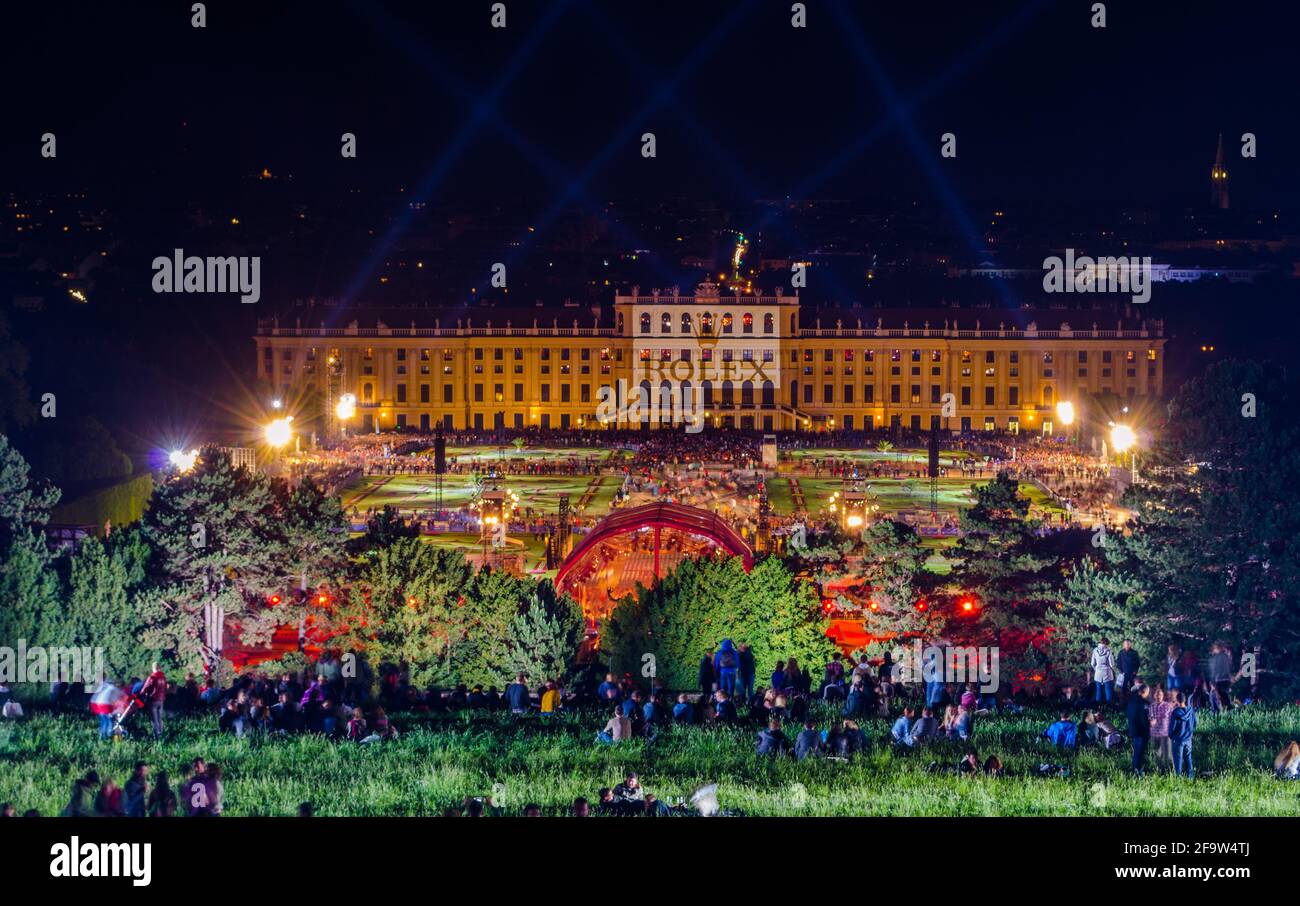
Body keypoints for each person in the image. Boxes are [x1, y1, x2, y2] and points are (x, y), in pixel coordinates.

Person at [1168, 690, 1197, 778]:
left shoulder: (1175, 712)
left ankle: (1178, 779)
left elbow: (1172, 727)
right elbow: (1195, 723)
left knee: (1178, 761)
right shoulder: (1191, 711)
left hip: (1178, 740)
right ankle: (1190, 778)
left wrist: (1171, 735)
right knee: (1188, 759)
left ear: (1177, 700)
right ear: (1185, 700)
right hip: (1188, 739)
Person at [1126, 684, 1151, 775]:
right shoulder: (1144, 703)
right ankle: (1138, 772)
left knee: (1136, 752)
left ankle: (1134, 769)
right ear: (1146, 692)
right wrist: (1150, 724)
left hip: (1133, 731)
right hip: (1142, 732)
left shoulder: (1131, 701)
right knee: (1140, 753)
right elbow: (1144, 719)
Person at [138, 663, 168, 739]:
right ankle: (161, 734)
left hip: (153, 700)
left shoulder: (152, 677)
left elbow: (145, 688)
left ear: (153, 668)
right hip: (161, 700)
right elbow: (165, 688)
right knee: (160, 718)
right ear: (160, 668)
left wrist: (141, 694)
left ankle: (157, 736)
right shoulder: (163, 678)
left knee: (154, 719)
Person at [1148, 685, 1173, 771]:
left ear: (1163, 696)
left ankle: (1170, 771)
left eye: (1160, 695)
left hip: (1165, 734)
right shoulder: (1151, 706)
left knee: (1167, 755)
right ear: (1154, 696)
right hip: (1154, 734)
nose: (1158, 696)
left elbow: (1171, 719)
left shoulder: (1168, 706)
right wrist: (1151, 721)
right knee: (1156, 754)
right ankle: (1159, 771)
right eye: (1157, 695)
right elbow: (1149, 718)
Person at [1206, 642, 1234, 713]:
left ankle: (1216, 712)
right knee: (1225, 698)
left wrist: (1212, 683)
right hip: (1226, 681)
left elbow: (1213, 672)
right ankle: (1228, 711)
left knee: (1214, 697)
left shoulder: (1215, 659)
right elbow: (1229, 668)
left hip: (1218, 681)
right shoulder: (1226, 657)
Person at [1090, 637, 1117, 704]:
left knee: (1098, 691)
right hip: (1107, 673)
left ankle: (1097, 706)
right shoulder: (1108, 651)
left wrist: (1096, 669)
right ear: (1107, 643)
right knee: (1108, 690)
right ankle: (1109, 706)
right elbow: (1112, 664)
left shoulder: (1095, 650)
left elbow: (1092, 663)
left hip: (1098, 673)